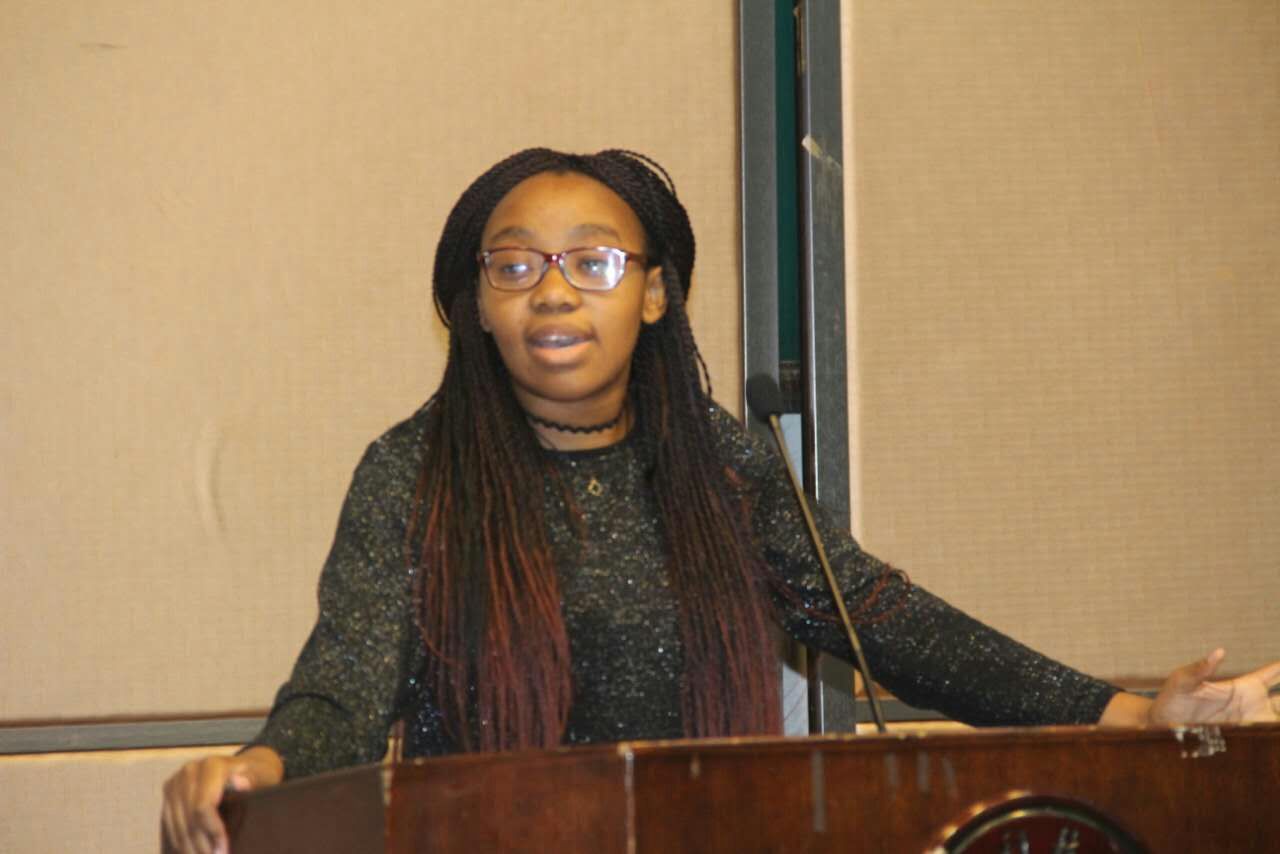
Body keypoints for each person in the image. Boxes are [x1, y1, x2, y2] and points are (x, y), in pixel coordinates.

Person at [161, 148, 1280, 854]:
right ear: (477, 306)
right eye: (515, 266)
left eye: (594, 261)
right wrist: (255, 769)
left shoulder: (723, 469)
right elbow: (345, 686)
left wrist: (1130, 718)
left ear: (654, 294)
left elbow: (885, 619)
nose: (553, 290)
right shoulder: (414, 472)